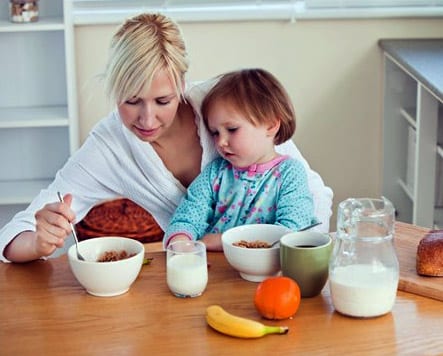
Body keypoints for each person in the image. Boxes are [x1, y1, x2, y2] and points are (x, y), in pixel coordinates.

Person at [0, 13, 333, 263]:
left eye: (163, 101)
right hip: (193, 274)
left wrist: (291, 256)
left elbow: (313, 194)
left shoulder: (229, 107)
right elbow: (13, 235)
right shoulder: (109, 147)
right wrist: (40, 241)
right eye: (131, 101)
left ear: (183, 84)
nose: (147, 119)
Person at [164, 68, 319, 251]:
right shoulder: (216, 173)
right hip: (216, 269)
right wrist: (181, 241)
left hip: (268, 270)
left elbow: (292, 231)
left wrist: (225, 240)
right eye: (215, 133)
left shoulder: (290, 173)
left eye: (232, 129)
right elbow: (189, 213)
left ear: (270, 125)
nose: (221, 142)